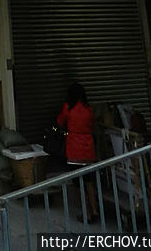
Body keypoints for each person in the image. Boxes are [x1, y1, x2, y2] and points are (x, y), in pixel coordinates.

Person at [57, 82, 99, 223]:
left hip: (74, 150)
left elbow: (60, 121)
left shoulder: (68, 108)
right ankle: (95, 210)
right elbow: (92, 125)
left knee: (78, 184)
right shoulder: (88, 109)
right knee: (89, 181)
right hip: (88, 149)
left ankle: (86, 214)